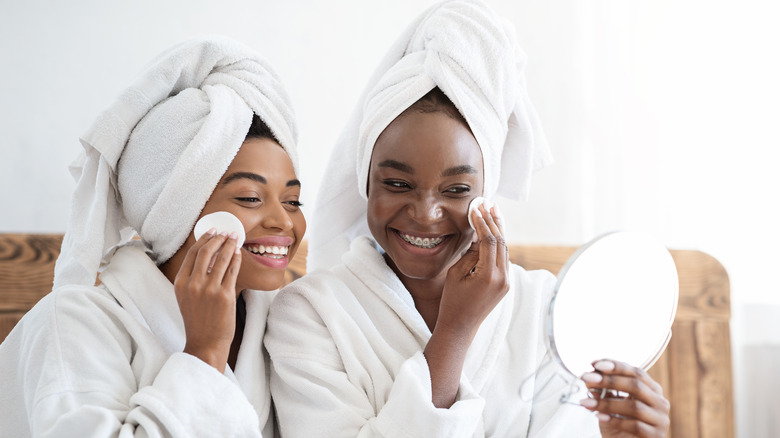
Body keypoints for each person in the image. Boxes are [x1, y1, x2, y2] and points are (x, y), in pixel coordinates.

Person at [265, 1, 669, 437]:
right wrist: (455, 332)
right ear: (365, 181)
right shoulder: (310, 313)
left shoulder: (544, 312)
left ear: (486, 194)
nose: (425, 214)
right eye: (397, 184)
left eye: (456, 190)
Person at [0, 36, 305, 437]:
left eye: (293, 200)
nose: (283, 221)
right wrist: (204, 352)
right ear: (174, 210)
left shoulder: (285, 327)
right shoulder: (70, 323)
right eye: (250, 197)